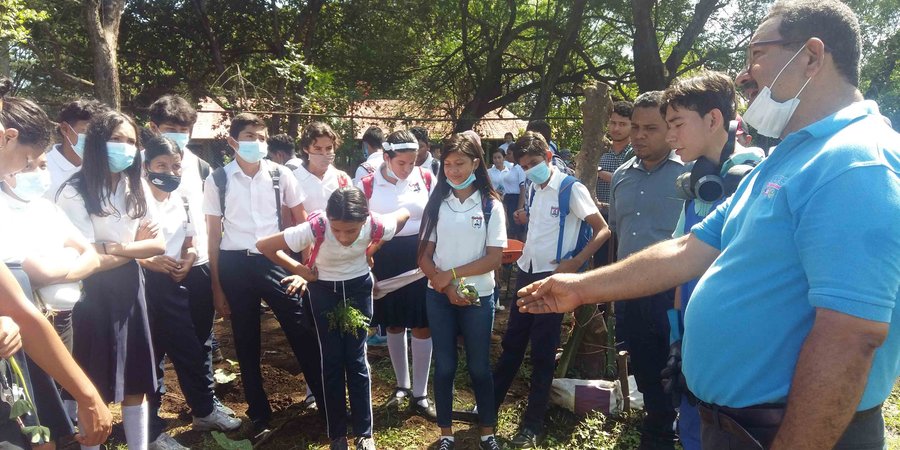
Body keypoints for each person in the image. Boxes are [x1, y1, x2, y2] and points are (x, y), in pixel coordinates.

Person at [516, 1, 900, 449]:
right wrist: (581, 288)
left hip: (792, 431)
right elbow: (688, 249)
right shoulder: (786, 159)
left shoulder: (855, 163)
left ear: (812, 57)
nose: (743, 75)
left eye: (757, 54)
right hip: (736, 426)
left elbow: (851, 336)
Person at [258, 188, 409, 450]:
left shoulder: (375, 223)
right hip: (324, 292)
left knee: (356, 359)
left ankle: (364, 433)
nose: (343, 237)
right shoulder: (315, 227)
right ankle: (337, 434)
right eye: (337, 230)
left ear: (364, 220)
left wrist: (372, 249)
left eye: (351, 231)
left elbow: (404, 214)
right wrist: (301, 270)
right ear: (328, 219)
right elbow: (265, 246)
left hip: (358, 290)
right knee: (332, 360)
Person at [203, 113, 324, 438]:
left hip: (275, 260)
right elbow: (213, 236)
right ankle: (259, 413)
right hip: (234, 264)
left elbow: (303, 225)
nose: (255, 142)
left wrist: (303, 271)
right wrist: (217, 287)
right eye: (248, 136)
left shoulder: (280, 174)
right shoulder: (218, 179)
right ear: (232, 141)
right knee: (245, 341)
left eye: (261, 137)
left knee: (301, 331)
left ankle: (327, 406)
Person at [661, 71, 765, 450]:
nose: (670, 136)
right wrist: (677, 340)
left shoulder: (757, 181)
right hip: (692, 351)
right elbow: (679, 268)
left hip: (738, 359)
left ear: (714, 119)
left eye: (677, 124)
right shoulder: (697, 187)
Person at [56, 110, 167, 450]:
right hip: (91, 297)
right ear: (98, 142)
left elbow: (158, 244)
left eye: (131, 142)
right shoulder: (73, 191)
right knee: (90, 380)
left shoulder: (136, 187)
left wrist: (112, 247)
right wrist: (132, 249)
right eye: (116, 139)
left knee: (136, 380)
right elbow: (86, 259)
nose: (125, 147)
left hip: (131, 291)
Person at [0, 97, 104, 449]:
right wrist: (88, 396)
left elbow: (15, 307)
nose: (27, 170)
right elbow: (21, 309)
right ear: (7, 137)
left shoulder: (44, 208)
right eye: (30, 161)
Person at [494, 132, 609, 448]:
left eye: (533, 163)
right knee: (513, 343)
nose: (530, 169)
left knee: (543, 352)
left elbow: (602, 230)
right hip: (526, 270)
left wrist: (574, 262)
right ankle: (489, 408)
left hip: (553, 277)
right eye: (524, 165)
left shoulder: (572, 189)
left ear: (548, 157)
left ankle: (532, 425)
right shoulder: (532, 187)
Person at [138, 136, 241, 447]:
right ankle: (150, 430)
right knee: (150, 357)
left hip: (176, 281)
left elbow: (189, 241)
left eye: (175, 166)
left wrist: (190, 259)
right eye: (161, 166)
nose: (169, 172)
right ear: (146, 168)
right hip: (145, 286)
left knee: (190, 349)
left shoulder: (179, 200)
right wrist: (148, 260)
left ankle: (204, 410)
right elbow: (126, 249)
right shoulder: (135, 202)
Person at [607, 91, 688, 450]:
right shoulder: (622, 176)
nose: (639, 135)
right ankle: (656, 431)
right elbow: (617, 234)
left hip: (674, 296)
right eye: (635, 127)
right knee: (645, 372)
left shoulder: (690, 174)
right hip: (631, 295)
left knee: (681, 378)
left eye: (650, 128)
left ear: (669, 129)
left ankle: (677, 434)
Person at [417, 133, 506, 450]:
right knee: (445, 367)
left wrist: (452, 277)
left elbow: (494, 258)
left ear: (476, 164)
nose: (452, 170)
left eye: (460, 163)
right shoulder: (437, 203)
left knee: (480, 367)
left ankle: (487, 433)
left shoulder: (491, 206)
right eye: (448, 164)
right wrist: (443, 284)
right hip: (438, 297)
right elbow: (424, 256)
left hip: (477, 298)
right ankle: (445, 434)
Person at [358, 130, 437, 420]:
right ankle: (401, 385)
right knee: (392, 323)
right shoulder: (367, 184)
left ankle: (420, 393)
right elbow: (359, 225)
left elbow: (436, 214)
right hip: (383, 257)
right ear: (387, 157)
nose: (407, 168)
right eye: (401, 162)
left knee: (421, 323)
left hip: (419, 257)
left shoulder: (426, 177)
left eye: (412, 161)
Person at [48, 100, 110, 202]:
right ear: (65, 129)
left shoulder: (104, 170)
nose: (95, 139)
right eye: (88, 132)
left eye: (101, 134)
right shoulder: (41, 170)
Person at [293, 122, 353, 214]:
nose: (324, 153)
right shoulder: (293, 179)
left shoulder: (342, 179)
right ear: (306, 149)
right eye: (318, 149)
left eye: (329, 148)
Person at [596, 101, 633, 209]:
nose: (616, 128)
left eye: (622, 124)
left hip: (625, 216)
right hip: (596, 217)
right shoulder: (599, 151)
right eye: (613, 123)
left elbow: (628, 182)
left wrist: (598, 171)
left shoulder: (636, 154)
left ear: (633, 125)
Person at [500, 147, 527, 241]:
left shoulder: (520, 168)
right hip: (508, 199)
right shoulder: (512, 168)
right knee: (509, 228)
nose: (507, 156)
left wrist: (519, 209)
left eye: (509, 153)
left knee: (516, 230)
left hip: (516, 200)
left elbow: (522, 188)